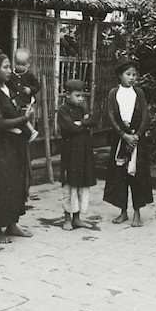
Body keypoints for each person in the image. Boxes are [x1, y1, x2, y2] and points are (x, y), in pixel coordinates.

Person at [0, 48, 35, 244]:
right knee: (1, 184)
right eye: (6, 67)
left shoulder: (6, 87)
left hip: (13, 143)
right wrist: (24, 118)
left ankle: (12, 224)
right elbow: (0, 123)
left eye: (10, 66)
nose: (10, 70)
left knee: (16, 182)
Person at [103, 58, 153, 227]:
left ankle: (137, 213)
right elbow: (111, 116)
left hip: (137, 139)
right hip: (121, 138)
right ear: (120, 75)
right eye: (128, 74)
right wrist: (123, 135)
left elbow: (145, 115)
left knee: (137, 175)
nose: (132, 77)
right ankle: (123, 211)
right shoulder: (113, 93)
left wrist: (136, 135)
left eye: (134, 74)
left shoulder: (138, 93)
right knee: (119, 175)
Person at [57, 79, 97, 231]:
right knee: (70, 185)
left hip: (84, 152)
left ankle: (77, 218)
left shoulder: (82, 108)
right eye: (77, 95)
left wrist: (82, 123)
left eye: (82, 96)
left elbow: (94, 121)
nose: (81, 99)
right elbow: (70, 128)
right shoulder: (63, 111)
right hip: (70, 153)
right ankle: (67, 219)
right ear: (67, 95)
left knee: (81, 184)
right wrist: (83, 124)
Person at [7, 48, 40, 143]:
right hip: (15, 100)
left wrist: (30, 89)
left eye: (23, 65)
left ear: (28, 64)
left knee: (23, 115)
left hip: (26, 101)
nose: (20, 67)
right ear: (14, 62)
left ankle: (32, 131)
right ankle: (13, 127)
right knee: (11, 112)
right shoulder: (11, 75)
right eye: (18, 64)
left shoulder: (29, 75)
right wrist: (12, 96)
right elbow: (7, 87)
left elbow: (37, 86)